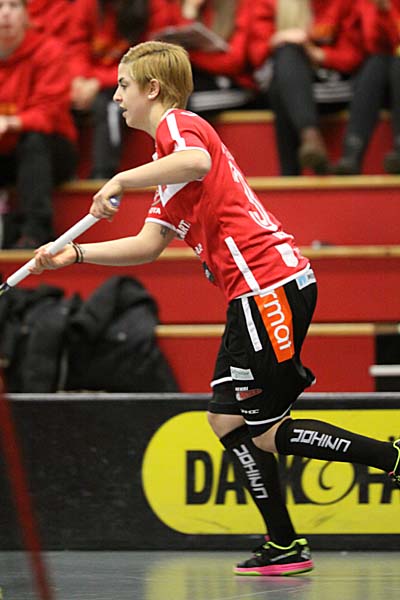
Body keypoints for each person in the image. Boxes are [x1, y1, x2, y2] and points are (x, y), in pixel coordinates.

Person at [30, 41, 400, 576]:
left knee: (267, 430)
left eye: (124, 86)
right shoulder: (166, 167)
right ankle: (284, 544)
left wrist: (118, 178)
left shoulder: (179, 127)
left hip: (267, 286)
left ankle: (392, 458)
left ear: (152, 88)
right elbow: (149, 244)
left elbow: (198, 159)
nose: (116, 97)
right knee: (225, 419)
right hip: (248, 295)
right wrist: (76, 255)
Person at [247, 0, 364, 175]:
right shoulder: (268, 3)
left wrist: (317, 54)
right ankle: (310, 137)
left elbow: (354, 56)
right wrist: (277, 40)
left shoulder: (341, 3)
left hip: (333, 84)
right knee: (285, 60)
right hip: (289, 83)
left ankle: (291, 173)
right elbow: (254, 56)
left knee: (281, 87)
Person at [0, 0, 77, 249]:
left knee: (33, 140)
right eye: (0, 7)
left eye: (13, 6)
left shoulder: (49, 50)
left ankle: (38, 231)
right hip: (7, 151)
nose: (5, 14)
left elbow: (48, 114)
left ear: (26, 15)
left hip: (52, 150)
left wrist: (10, 122)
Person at [67, 0, 172, 179]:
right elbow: (75, 46)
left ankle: (103, 174)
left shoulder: (154, 5)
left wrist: (98, 81)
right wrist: (79, 78)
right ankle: (67, 174)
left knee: (111, 104)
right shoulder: (86, 5)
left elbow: (151, 60)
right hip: (90, 81)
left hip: (137, 81)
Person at [153, 0, 257, 115]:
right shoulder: (180, 5)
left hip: (233, 84)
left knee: (180, 103)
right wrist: (189, 12)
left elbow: (234, 62)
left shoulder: (241, 5)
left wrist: (189, 55)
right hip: (195, 78)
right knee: (164, 94)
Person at [333, 0, 400, 175]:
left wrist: (388, 12)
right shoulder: (362, 4)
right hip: (378, 76)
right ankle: (352, 153)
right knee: (375, 64)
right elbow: (363, 47)